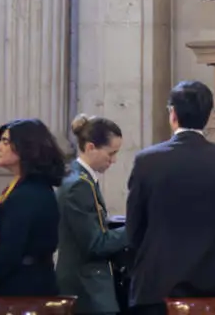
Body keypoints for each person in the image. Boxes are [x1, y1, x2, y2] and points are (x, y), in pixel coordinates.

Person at [126, 81, 215, 315]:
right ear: (209, 115)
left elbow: (134, 229)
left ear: (173, 114)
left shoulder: (147, 161)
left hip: (158, 285)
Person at [0, 119, 65, 301]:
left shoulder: (28, 193)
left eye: (5, 142)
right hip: (25, 284)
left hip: (23, 291)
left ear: (25, 147)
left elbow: (10, 252)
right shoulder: (27, 187)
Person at [58, 114, 130, 315]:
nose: (114, 160)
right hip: (86, 290)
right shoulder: (79, 185)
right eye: (111, 153)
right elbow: (95, 244)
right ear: (90, 147)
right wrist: (135, 227)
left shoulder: (81, 179)